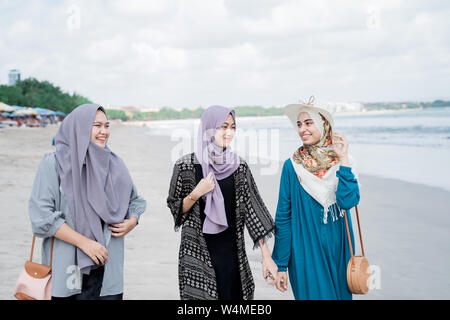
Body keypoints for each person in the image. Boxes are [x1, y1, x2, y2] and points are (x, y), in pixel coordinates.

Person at [29, 104, 146, 300]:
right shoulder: (54, 163)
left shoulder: (114, 164)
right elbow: (41, 218)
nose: (104, 132)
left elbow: (135, 200)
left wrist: (132, 220)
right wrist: (85, 244)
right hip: (68, 268)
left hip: (108, 268)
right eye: (97, 125)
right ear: (79, 128)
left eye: (107, 126)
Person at [167, 105, 277, 300]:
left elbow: (253, 211)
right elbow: (177, 210)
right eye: (223, 127)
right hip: (196, 255)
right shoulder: (185, 166)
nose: (229, 132)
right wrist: (195, 194)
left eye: (233, 127)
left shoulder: (239, 167)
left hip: (232, 257)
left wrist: (266, 256)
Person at [272, 98, 360, 300]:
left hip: (340, 249)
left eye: (309, 123)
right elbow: (283, 217)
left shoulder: (342, 162)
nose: (303, 129)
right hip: (305, 251)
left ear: (323, 124)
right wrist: (282, 264)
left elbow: (348, 202)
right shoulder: (291, 166)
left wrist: (344, 161)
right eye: (299, 124)